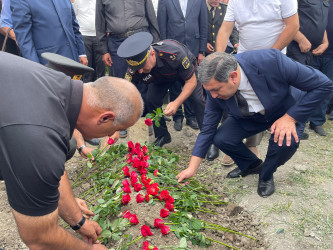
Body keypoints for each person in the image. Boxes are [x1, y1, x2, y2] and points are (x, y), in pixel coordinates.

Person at [0, 51, 143, 249]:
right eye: (116, 130)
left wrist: (78, 220)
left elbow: (55, 171)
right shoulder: (40, 136)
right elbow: (39, 237)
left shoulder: (59, 86)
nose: (112, 137)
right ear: (105, 118)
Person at [176, 51, 333, 197]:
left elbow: (323, 84)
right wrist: (192, 168)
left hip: (285, 110)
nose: (213, 95)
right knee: (222, 138)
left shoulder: (271, 61)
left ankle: (266, 174)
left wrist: (290, 118)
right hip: (251, 116)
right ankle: (252, 165)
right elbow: (207, 130)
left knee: (286, 142)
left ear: (233, 77)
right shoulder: (214, 91)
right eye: (209, 91)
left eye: (216, 90)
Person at [215, 0, 299, 166]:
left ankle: (252, 144)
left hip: (274, 61)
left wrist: (269, 57)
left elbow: (293, 26)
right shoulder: (235, 1)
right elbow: (225, 29)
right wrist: (218, 60)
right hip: (244, 61)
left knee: (264, 105)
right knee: (239, 101)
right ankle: (234, 142)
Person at [118, 32, 205, 147]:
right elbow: (126, 92)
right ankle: (163, 135)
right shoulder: (135, 69)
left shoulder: (174, 54)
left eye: (142, 66)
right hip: (160, 77)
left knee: (197, 99)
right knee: (151, 99)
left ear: (152, 54)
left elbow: (191, 82)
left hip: (182, 72)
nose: (139, 71)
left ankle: (208, 138)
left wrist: (176, 103)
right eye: (136, 68)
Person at [96, 0, 159, 138]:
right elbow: (100, 24)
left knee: (144, 80)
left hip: (140, 38)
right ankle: (123, 122)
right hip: (117, 42)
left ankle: (144, 119)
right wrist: (103, 50)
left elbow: (151, 16)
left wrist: (155, 42)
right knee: (120, 84)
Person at [157, 0, 207, 133]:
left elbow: (203, 25)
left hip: (193, 48)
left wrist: (201, 51)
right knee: (174, 84)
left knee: (191, 82)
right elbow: (162, 25)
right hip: (172, 50)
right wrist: (163, 48)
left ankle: (191, 116)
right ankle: (177, 116)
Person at [287, 0, 330, 136]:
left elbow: (319, 23)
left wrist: (325, 42)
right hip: (296, 47)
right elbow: (285, 19)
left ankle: (298, 122)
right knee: (295, 87)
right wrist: (300, 39)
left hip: (312, 51)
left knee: (306, 88)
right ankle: (290, 124)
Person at [204, 0, 239, 160]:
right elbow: (197, 28)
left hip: (225, 57)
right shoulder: (199, 7)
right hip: (205, 57)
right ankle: (211, 138)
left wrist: (236, 41)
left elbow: (231, 30)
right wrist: (202, 45)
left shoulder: (225, 9)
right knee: (211, 98)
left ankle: (224, 135)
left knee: (226, 96)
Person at [10, 0, 88, 66]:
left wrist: (81, 53)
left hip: (73, 61)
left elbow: (73, 25)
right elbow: (24, 40)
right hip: (48, 65)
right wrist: (36, 68)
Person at [72, 0, 106, 82]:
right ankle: (87, 88)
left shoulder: (100, 1)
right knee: (86, 67)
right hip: (84, 36)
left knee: (101, 66)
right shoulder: (76, 1)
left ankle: (101, 89)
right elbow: (73, 16)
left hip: (99, 37)